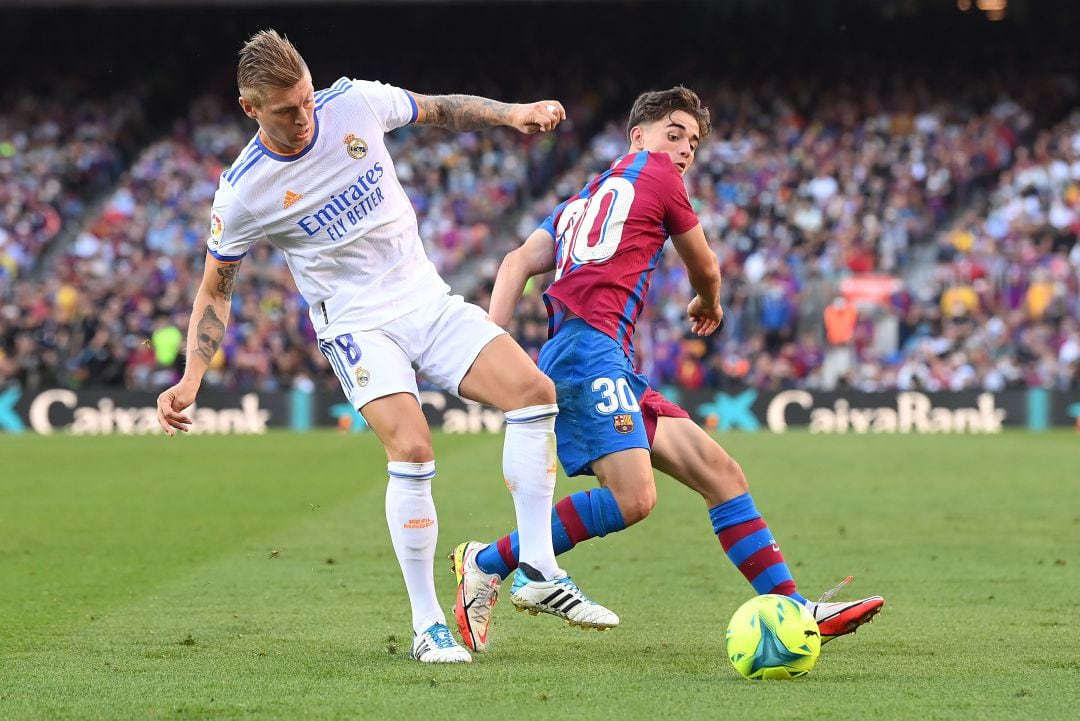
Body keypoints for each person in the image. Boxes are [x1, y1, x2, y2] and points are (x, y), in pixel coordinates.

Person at [154, 29, 616, 664]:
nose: (304, 117)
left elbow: (438, 107)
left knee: (534, 395)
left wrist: (514, 114)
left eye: (308, 100)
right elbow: (215, 290)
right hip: (356, 327)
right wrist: (191, 376)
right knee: (413, 445)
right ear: (250, 109)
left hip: (426, 300)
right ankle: (429, 626)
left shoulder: (355, 104)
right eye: (286, 111)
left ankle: (538, 569)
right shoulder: (243, 192)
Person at [450, 86, 884, 653]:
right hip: (588, 353)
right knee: (634, 499)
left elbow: (514, 263)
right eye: (673, 134)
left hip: (605, 358)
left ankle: (794, 606)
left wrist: (493, 339)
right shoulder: (656, 176)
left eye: (693, 142)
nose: (683, 150)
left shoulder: (580, 201)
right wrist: (710, 302)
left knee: (720, 472)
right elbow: (705, 264)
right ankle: (491, 562)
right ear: (639, 137)